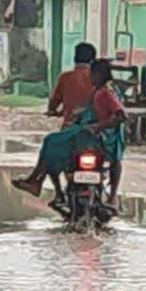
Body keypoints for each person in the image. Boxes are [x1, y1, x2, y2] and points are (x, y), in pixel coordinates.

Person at [13, 58, 127, 209]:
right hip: (94, 137)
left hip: (95, 137)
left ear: (99, 74)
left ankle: (36, 181)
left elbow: (121, 115)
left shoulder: (105, 93)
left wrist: (98, 126)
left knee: (51, 142)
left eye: (92, 74)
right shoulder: (103, 91)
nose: (90, 77)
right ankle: (38, 182)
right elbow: (92, 110)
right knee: (57, 143)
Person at [48, 42, 96, 126]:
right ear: (93, 60)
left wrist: (58, 111)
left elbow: (52, 105)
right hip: (93, 128)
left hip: (70, 126)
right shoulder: (98, 78)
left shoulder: (64, 77)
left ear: (74, 58)